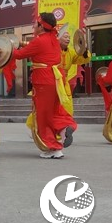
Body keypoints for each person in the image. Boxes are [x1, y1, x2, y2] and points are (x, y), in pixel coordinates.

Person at [12, 13, 77, 159]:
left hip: (43, 81)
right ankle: (64, 127)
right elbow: (35, 48)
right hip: (56, 80)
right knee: (55, 111)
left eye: (35, 23)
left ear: (41, 27)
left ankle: (52, 148)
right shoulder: (54, 39)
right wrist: (23, 44)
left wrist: (3, 50)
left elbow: (19, 55)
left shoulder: (39, 41)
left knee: (43, 116)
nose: (33, 26)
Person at [58, 31, 90, 115]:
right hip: (53, 81)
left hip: (64, 82)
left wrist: (84, 49)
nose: (68, 39)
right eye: (65, 37)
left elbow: (82, 60)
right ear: (58, 38)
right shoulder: (52, 50)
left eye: (69, 37)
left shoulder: (71, 52)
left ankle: (65, 123)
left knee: (66, 104)